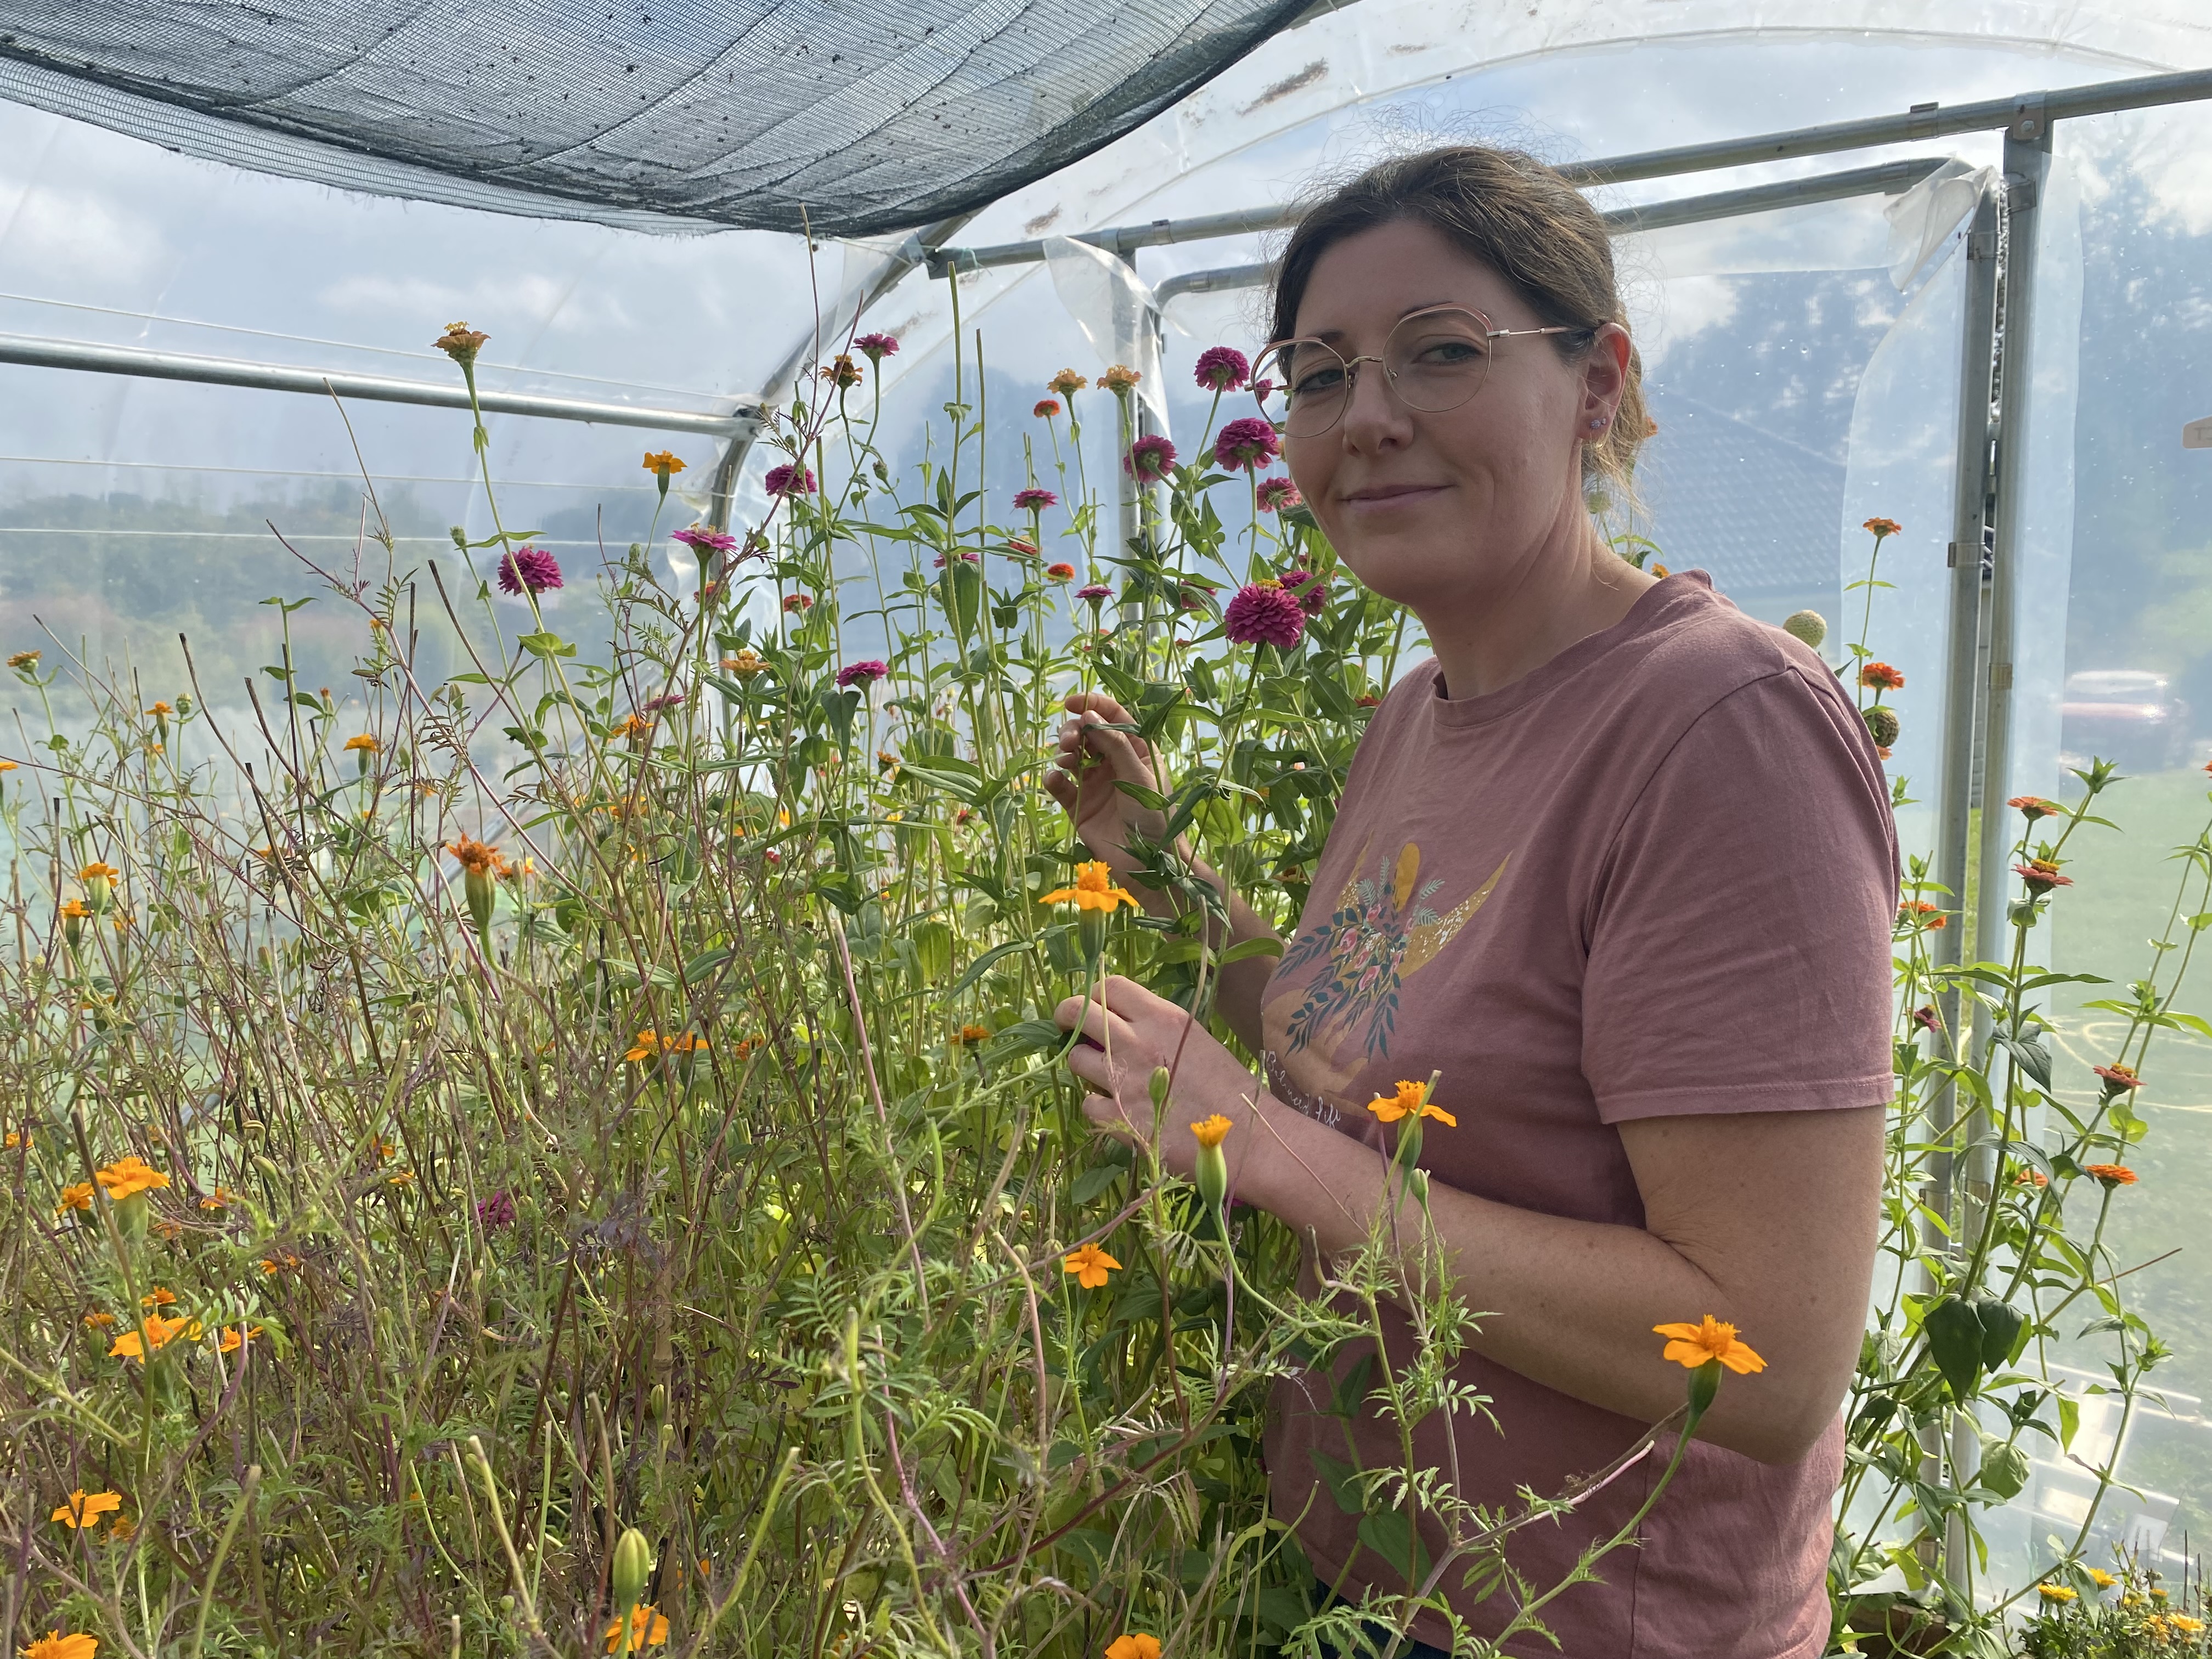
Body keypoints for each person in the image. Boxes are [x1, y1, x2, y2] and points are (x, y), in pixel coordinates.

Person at [1045, 147, 1895, 1659]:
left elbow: (1764, 1363)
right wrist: (1165, 864)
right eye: (1317, 375)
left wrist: (1255, 1147)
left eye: (1441, 352)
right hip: (1367, 1568)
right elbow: (1345, 1051)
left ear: (1595, 381)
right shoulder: (1418, 712)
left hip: (1587, 1622)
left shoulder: (1721, 731)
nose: (1366, 418)